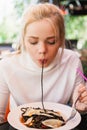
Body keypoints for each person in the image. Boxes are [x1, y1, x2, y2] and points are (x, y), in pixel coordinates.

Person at [0, 3, 87, 124]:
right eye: (33, 42)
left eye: (51, 42)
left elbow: (77, 111)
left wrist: (81, 106)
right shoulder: (6, 66)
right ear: (23, 40)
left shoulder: (72, 61)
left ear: (61, 40)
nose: (42, 50)